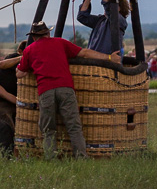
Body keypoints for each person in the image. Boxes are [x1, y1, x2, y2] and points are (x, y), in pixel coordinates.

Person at [18, 21, 111, 159]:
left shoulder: (29, 50)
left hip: (45, 91)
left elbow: (20, 73)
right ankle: (81, 157)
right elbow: (84, 53)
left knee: (48, 129)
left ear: (34, 36)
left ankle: (51, 158)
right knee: (74, 126)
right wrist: (109, 57)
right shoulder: (60, 43)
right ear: (48, 33)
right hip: (65, 88)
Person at [0, 41, 27, 131]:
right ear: (21, 52)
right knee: (8, 131)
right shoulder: (13, 58)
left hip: (9, 101)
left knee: (19, 131)